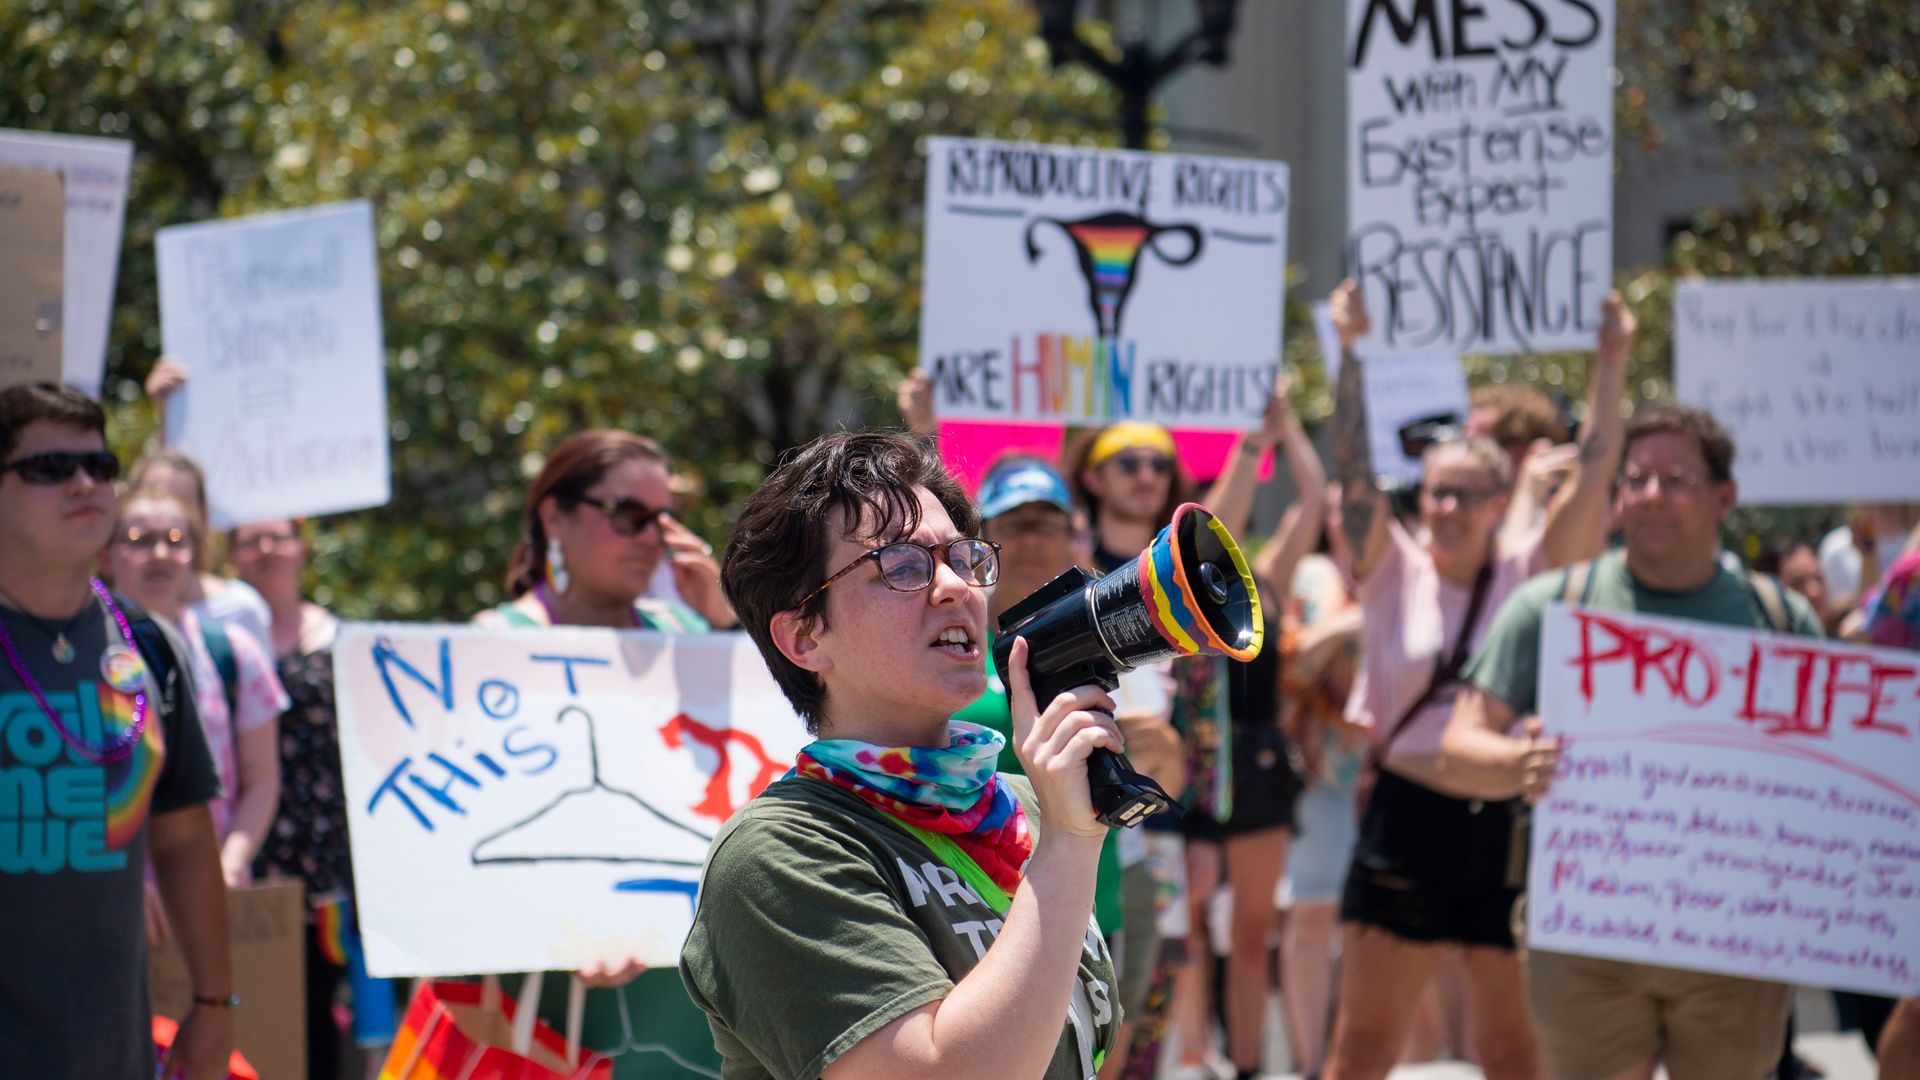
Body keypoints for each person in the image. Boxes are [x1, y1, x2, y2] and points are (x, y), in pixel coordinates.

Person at [683, 430, 1121, 1077]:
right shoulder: (778, 853)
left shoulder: (1022, 803)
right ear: (804, 636)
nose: (956, 588)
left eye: (964, 558)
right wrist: (1070, 843)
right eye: (903, 566)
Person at [1441, 402, 1825, 1080]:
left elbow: (1833, 774)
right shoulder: (1554, 606)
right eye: (1637, 480)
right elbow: (1459, 746)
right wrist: (1519, 763)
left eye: (1675, 480)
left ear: (1724, 497)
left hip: (1735, 942)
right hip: (1589, 938)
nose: (1652, 497)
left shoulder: (1779, 618)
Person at [1319, 278, 1632, 1080]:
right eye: (1435, 492)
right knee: (1359, 1051)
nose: (1447, 506)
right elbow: (1353, 466)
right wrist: (1349, 353)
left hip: (1507, 829)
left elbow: (1596, 471)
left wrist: (1612, 359)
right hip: (1406, 819)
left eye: (1466, 493)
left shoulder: (1531, 572)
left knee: (1513, 1054)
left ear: (1500, 501)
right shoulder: (1393, 568)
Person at [475, 429, 735, 1076]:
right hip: (555, 976)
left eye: (665, 518)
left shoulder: (688, 632)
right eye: (630, 516)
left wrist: (728, 627)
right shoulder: (490, 646)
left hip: (680, 978)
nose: (652, 537)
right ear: (555, 516)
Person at [0, 382, 234, 1080]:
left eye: (98, 467)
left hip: (116, 1055)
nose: (83, 483)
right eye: (49, 468)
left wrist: (216, 1004)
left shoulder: (148, 646)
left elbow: (187, 836)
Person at [951, 454, 1182, 1080]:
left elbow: (1169, 773)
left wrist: (1142, 750)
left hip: (1098, 897)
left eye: (1046, 523)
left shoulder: (1119, 629)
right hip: (974, 906)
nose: (1030, 540)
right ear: (982, 540)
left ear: (1073, 535)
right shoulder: (951, 636)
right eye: (1014, 523)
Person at [232, 515, 394, 1078]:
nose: (265, 548)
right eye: (250, 538)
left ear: (303, 548)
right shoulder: (219, 644)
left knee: (335, 1022)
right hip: (254, 865)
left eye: (278, 535)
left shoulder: (345, 640)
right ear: (231, 555)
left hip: (336, 867)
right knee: (265, 1024)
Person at [105, 489, 287, 888]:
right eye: (138, 541)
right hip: (111, 895)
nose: (158, 554)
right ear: (107, 554)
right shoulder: (79, 655)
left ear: (193, 555)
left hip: (212, 892)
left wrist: (230, 863)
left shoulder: (234, 651)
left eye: (174, 540)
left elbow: (261, 779)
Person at [125, 448, 274, 649]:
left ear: (204, 517)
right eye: (154, 495)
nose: (166, 510)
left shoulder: (241, 608)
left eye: (181, 500)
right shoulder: (99, 613)